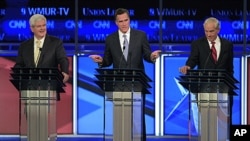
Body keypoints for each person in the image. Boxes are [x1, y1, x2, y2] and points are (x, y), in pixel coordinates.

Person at [89, 8, 161, 141]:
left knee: (138, 119)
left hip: (138, 84)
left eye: (126, 20)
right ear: (116, 22)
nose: (124, 24)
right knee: (121, 118)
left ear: (130, 20)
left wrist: (152, 56)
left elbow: (146, 55)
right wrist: (101, 61)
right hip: (119, 85)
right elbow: (108, 60)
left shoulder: (140, 35)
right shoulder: (110, 39)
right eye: (120, 21)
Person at [179, 17, 234, 125]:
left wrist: (230, 86)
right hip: (205, 87)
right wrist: (188, 66)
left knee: (222, 123)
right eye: (206, 31)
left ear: (218, 30)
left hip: (222, 87)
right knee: (205, 122)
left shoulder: (227, 45)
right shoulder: (198, 44)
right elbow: (192, 59)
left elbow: (230, 68)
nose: (208, 34)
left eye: (211, 31)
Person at [14, 14, 69, 83]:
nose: (42, 28)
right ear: (32, 28)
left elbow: (63, 59)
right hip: (29, 86)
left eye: (44, 25)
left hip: (50, 85)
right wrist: (18, 74)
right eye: (39, 26)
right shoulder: (24, 46)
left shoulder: (55, 43)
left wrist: (64, 71)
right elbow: (19, 64)